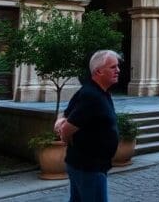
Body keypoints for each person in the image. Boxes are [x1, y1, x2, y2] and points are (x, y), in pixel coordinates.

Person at [54, 49, 121, 202]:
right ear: (98, 71)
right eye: (113, 67)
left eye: (117, 66)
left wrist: (60, 121)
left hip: (87, 166)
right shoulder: (92, 96)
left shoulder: (97, 92)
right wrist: (63, 131)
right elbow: (66, 128)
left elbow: (65, 115)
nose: (118, 70)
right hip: (89, 168)